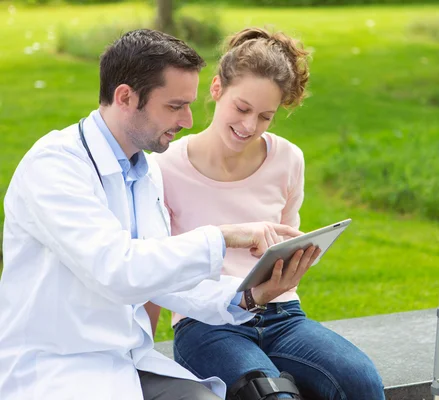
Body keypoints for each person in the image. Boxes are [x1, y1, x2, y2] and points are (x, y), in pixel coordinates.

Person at [0, 29, 318, 400]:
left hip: (124, 362)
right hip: (56, 366)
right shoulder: (55, 167)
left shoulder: (144, 170)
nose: (187, 120)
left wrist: (248, 295)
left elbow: (163, 278)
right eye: (175, 106)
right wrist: (223, 236)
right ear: (125, 97)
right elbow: (118, 270)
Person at [150, 28, 385, 400]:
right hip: (207, 326)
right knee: (270, 395)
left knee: (361, 380)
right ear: (216, 89)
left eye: (265, 117)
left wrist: (290, 266)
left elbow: (288, 236)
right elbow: (154, 265)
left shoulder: (288, 159)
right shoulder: (163, 167)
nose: (249, 126)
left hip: (282, 316)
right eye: (241, 109)